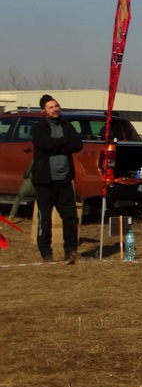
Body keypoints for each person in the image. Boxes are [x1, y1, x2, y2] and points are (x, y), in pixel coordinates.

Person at [30, 94, 83, 264]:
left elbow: (78, 144)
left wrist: (58, 144)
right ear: (43, 111)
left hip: (64, 180)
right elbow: (45, 144)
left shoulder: (67, 125)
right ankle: (46, 253)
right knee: (45, 219)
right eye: (51, 107)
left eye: (56, 106)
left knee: (70, 217)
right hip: (45, 181)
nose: (55, 109)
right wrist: (65, 142)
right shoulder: (39, 127)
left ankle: (71, 251)